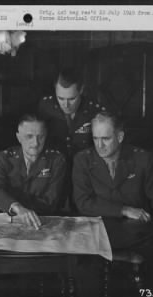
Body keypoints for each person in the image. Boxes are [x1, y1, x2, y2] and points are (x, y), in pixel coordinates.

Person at [72, 111, 153, 296]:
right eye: (95, 139)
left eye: (106, 138)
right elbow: (83, 203)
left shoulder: (142, 159)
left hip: (137, 234)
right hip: (97, 232)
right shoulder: (83, 160)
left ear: (120, 137)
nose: (100, 145)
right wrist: (124, 210)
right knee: (85, 272)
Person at [38, 68, 107, 214]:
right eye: (61, 98)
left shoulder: (95, 110)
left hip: (85, 174)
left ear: (81, 90)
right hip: (54, 173)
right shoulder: (45, 107)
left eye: (71, 99)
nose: (66, 105)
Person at [0, 114, 66, 229]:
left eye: (40, 137)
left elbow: (51, 200)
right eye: (29, 136)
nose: (35, 143)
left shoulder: (56, 160)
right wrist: (17, 207)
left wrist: (24, 209)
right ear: (18, 137)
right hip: (8, 220)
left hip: (41, 221)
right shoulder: (3, 158)